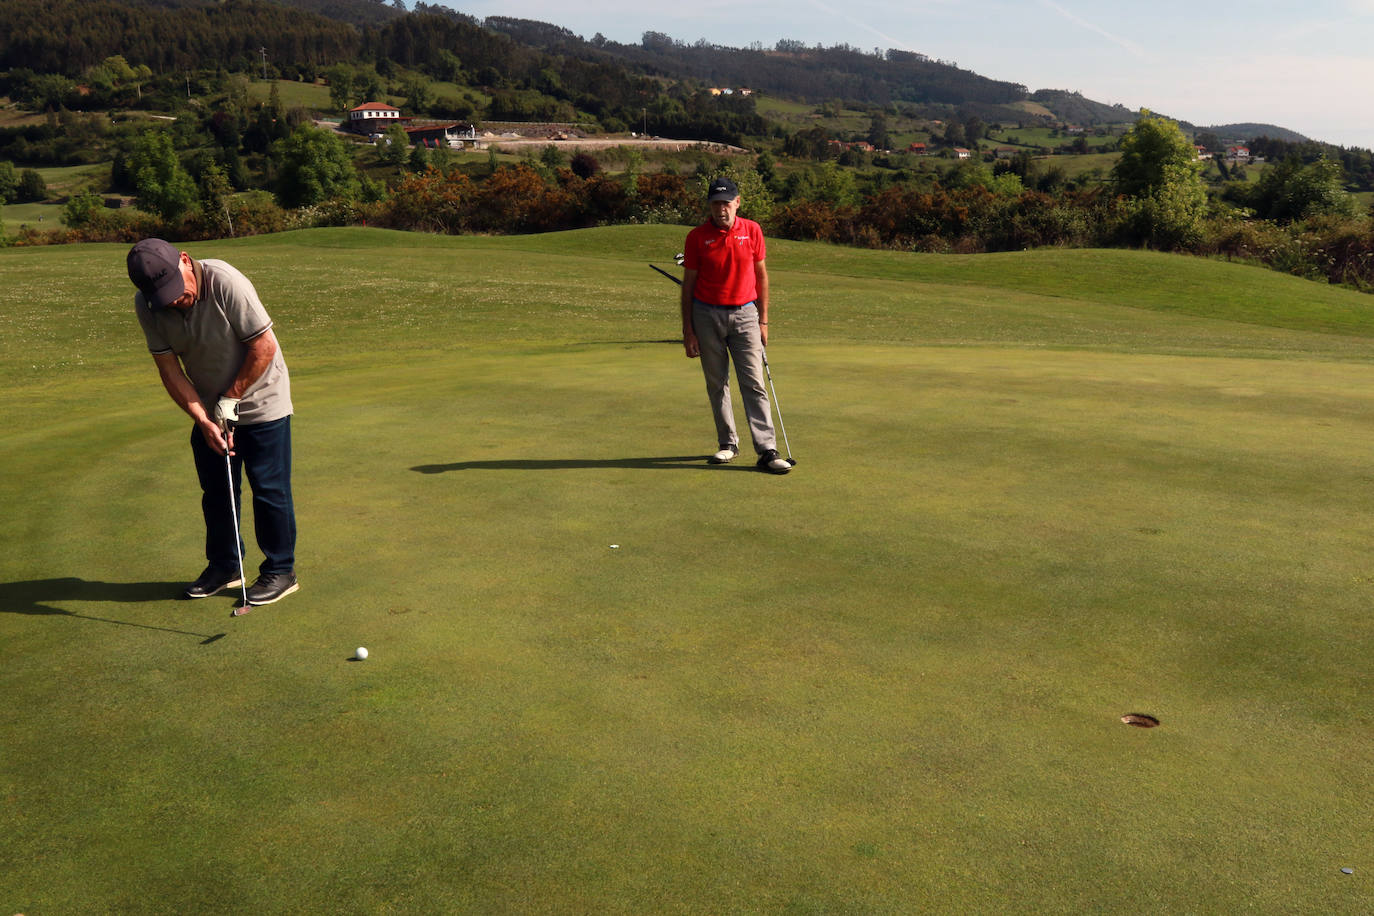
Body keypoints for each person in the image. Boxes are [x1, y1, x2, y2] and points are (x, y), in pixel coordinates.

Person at [126, 238, 299, 605]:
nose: (173, 301)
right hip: (209, 406)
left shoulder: (225, 281)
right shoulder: (148, 305)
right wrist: (204, 419)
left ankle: (281, 571)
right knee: (217, 490)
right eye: (162, 296)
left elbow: (264, 346)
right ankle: (226, 566)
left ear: (185, 261)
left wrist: (232, 398)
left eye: (175, 289)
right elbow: (170, 371)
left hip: (262, 398)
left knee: (269, 489)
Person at [680, 176, 792, 474]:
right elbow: (688, 285)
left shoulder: (752, 231)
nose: (721, 209)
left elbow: (762, 278)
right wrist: (688, 330)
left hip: (746, 315)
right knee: (717, 383)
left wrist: (764, 320)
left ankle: (767, 450)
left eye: (727, 203)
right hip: (706, 315)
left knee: (754, 383)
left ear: (737, 203)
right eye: (716, 204)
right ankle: (727, 443)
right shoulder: (696, 237)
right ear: (710, 206)